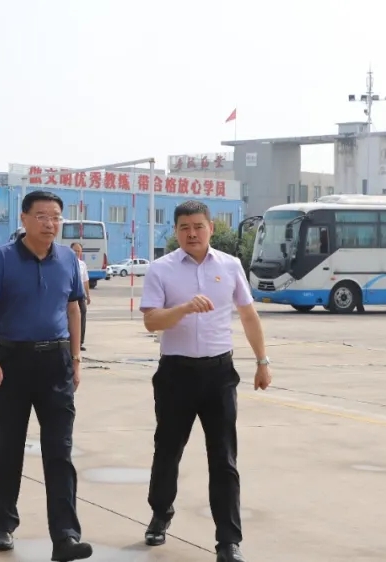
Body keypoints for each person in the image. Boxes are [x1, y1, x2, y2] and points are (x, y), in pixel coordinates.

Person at [138, 200, 272, 562]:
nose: (192, 233)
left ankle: (228, 540)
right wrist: (183, 309)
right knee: (168, 450)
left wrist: (262, 361)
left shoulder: (230, 265)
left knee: (224, 457)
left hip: (219, 375)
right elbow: (151, 322)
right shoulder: (161, 269)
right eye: (184, 227)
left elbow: (248, 315)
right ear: (175, 231)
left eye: (198, 226)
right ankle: (160, 513)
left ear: (211, 228)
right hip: (176, 374)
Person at [0, 190, 92, 561]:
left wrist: (76, 359)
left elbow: (74, 309)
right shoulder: (2, 258)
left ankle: (66, 537)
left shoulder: (68, 259)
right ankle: (3, 524)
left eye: (56, 216)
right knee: (8, 448)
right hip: (11, 363)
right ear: (24, 219)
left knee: (60, 451)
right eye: (41, 216)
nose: (50, 223)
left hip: (56, 363)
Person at [70, 242, 91, 352]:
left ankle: (80, 342)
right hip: (70, 295)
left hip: (81, 295)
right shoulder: (67, 262)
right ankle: (70, 341)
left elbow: (85, 281)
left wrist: (88, 295)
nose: (77, 253)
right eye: (75, 250)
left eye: (79, 251)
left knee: (82, 315)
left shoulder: (82, 264)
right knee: (70, 317)